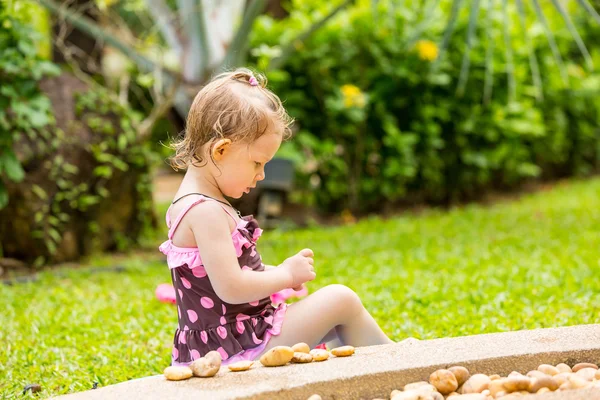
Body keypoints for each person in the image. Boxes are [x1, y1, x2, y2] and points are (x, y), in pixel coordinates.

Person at [159, 68, 394, 367]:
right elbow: (230, 287)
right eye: (257, 162)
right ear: (220, 150)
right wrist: (286, 275)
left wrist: (275, 275)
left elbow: (221, 271)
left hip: (233, 341)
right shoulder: (205, 211)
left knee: (334, 327)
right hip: (236, 349)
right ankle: (397, 360)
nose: (262, 175)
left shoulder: (195, 204)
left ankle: (379, 361)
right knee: (340, 299)